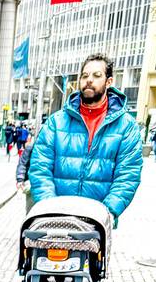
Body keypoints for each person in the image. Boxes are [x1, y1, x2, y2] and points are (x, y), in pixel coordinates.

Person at [28, 52, 144, 217]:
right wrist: (49, 208)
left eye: (97, 75)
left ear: (109, 82)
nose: (89, 80)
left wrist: (107, 212)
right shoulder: (56, 122)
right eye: (84, 75)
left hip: (97, 222)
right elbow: (40, 167)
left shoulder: (127, 126)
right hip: (54, 218)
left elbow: (128, 174)